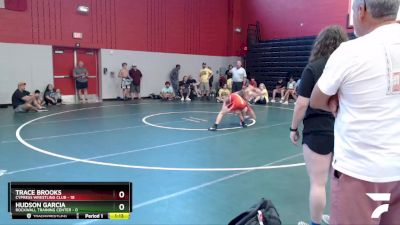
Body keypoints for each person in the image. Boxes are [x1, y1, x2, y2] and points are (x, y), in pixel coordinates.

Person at [310, 1, 400, 224]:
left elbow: (316, 99)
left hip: (359, 172)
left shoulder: (351, 51)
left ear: (362, 11)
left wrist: (336, 101)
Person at [289, 25, 348, 225]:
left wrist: (293, 128)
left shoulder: (314, 68)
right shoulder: (347, 67)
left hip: (318, 131)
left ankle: (314, 223)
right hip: (344, 131)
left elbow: (301, 104)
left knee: (318, 183)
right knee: (339, 182)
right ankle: (337, 219)